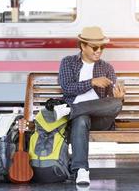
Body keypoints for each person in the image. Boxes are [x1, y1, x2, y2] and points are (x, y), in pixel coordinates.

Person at [56, 26, 125, 185]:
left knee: (115, 104)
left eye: (102, 47)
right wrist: (92, 82)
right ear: (83, 46)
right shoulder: (68, 63)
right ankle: (81, 170)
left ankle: (69, 110)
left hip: (100, 119)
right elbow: (66, 87)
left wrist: (118, 96)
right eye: (95, 47)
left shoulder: (106, 68)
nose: (99, 50)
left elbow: (111, 100)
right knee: (81, 119)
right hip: (78, 121)